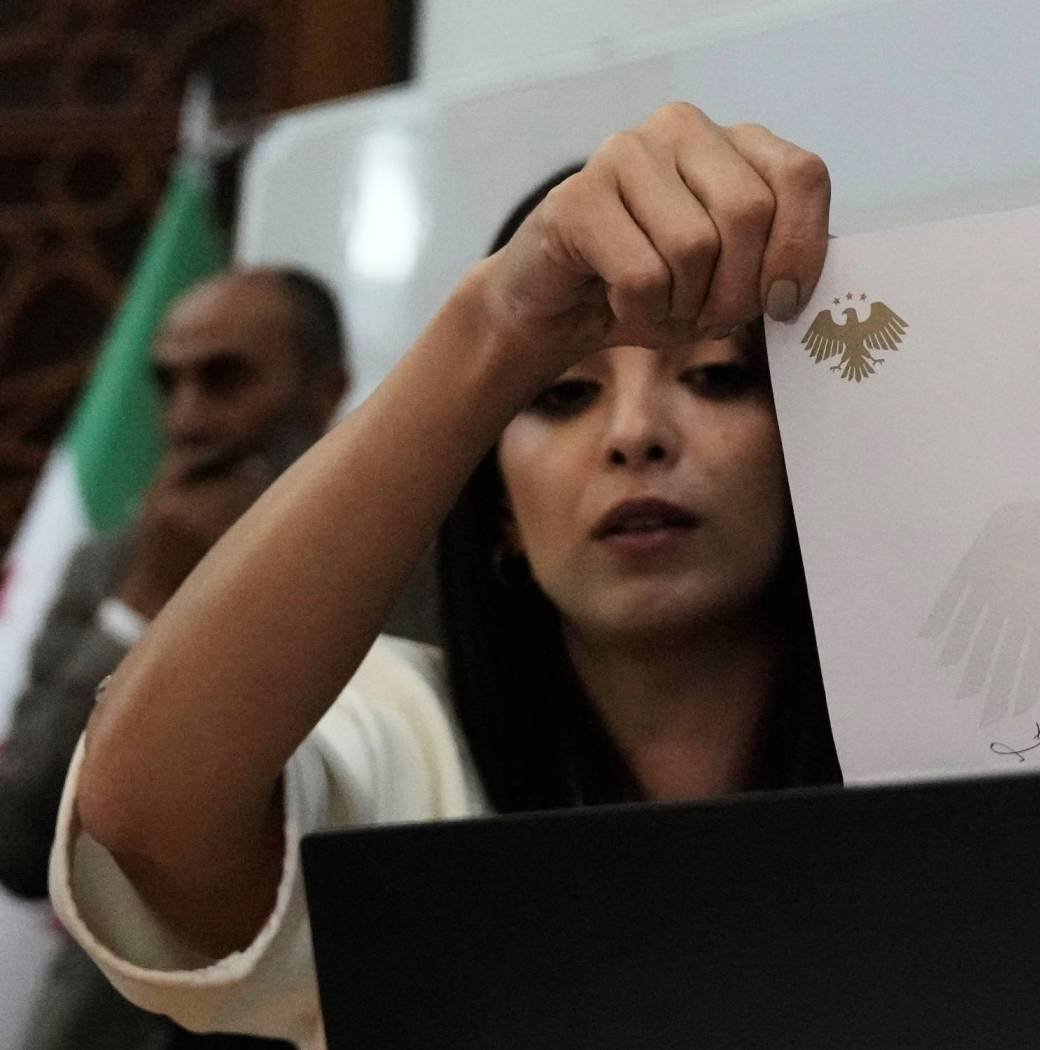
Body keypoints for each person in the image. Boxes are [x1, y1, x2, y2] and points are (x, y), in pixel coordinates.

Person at [47, 103, 839, 1048]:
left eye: (715, 378)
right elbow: (144, 816)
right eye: (562, 394)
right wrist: (500, 324)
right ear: (499, 511)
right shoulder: (401, 732)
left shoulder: (951, 731)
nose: (636, 435)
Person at [1, 267, 352, 1049]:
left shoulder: (414, 569)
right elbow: (23, 841)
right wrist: (144, 602)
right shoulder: (112, 567)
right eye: (169, 384)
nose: (188, 419)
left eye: (224, 379)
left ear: (326, 392)